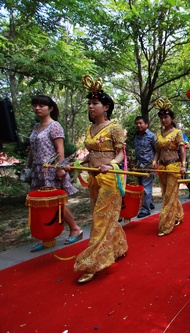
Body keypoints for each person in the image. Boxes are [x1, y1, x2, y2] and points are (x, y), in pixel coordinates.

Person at [68, 75, 128, 284]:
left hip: (110, 178)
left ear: (106, 106)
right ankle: (119, 246)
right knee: (102, 215)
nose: (91, 107)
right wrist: (76, 164)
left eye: (95, 103)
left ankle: (92, 262)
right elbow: (89, 155)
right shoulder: (89, 128)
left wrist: (111, 165)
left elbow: (121, 154)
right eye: (89, 103)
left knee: (100, 220)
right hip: (94, 178)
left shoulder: (114, 127)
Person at [27, 95, 82, 252]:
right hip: (38, 171)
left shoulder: (54, 126)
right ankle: (47, 237)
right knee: (41, 204)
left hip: (51, 170)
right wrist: (29, 167)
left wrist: (60, 167)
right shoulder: (36, 126)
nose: (37, 108)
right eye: (35, 105)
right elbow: (32, 150)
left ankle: (75, 228)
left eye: (41, 105)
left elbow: (60, 149)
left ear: (50, 108)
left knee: (55, 202)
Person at [151, 98, 186, 236]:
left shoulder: (177, 132)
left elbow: (182, 150)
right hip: (162, 167)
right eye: (161, 117)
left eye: (166, 117)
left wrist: (183, 166)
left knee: (168, 196)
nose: (163, 120)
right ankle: (178, 215)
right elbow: (158, 151)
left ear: (171, 118)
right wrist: (154, 161)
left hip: (174, 166)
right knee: (166, 193)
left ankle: (166, 224)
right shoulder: (158, 133)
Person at [133, 116, 156, 218]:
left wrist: (154, 163)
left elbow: (157, 151)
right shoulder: (136, 136)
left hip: (148, 165)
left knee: (146, 187)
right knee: (141, 186)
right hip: (138, 166)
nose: (138, 125)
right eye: (137, 123)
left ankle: (145, 209)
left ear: (146, 124)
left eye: (140, 123)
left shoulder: (151, 136)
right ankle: (150, 203)